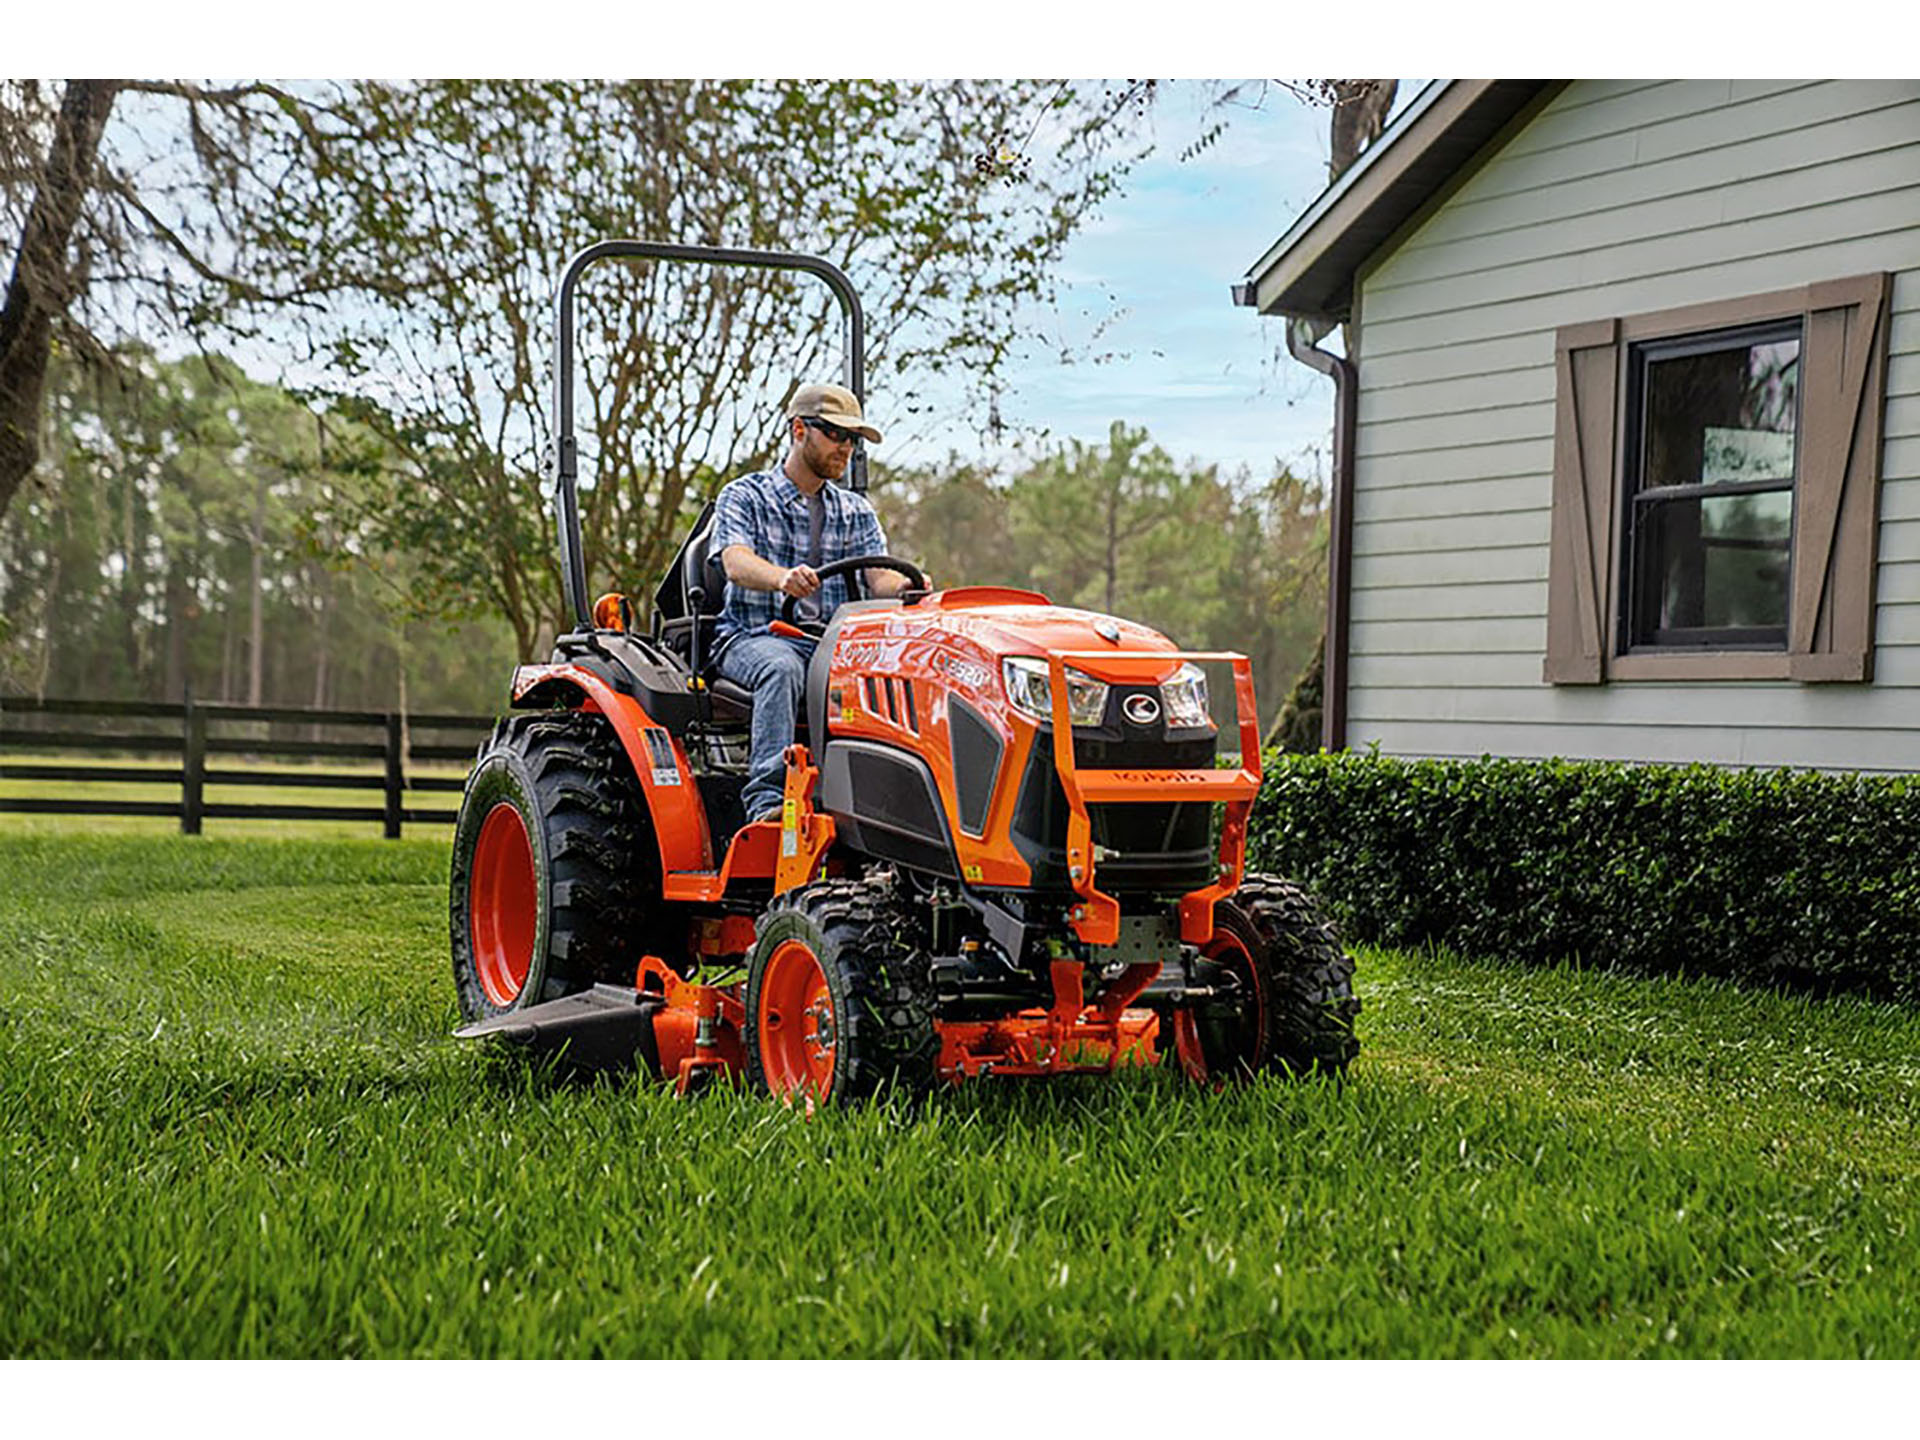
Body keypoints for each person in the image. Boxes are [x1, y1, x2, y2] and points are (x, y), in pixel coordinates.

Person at [710, 383, 917, 824]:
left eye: (853, 439)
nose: (847, 447)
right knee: (782, 668)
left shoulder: (855, 511)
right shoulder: (745, 497)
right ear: (800, 430)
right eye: (836, 434)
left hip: (832, 646)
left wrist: (907, 586)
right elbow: (735, 562)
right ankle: (768, 801)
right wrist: (782, 578)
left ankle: (885, 808)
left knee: (899, 673)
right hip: (754, 637)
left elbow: (877, 578)